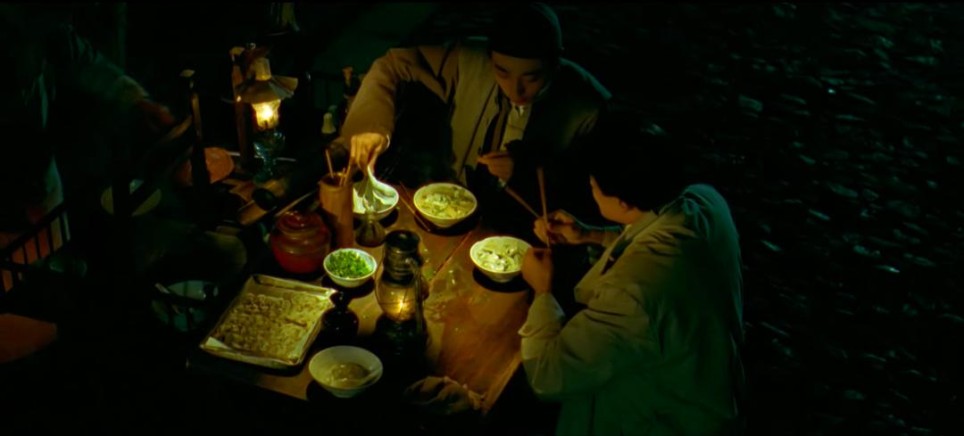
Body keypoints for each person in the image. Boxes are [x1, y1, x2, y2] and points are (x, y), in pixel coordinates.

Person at [517, 112, 746, 435]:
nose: (590, 188)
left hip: (661, 415)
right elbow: (654, 236)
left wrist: (543, 291)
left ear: (623, 203)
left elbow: (548, 376)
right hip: (707, 374)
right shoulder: (705, 200)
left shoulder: (631, 297)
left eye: (594, 185)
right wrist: (591, 235)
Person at [332, 2, 611, 234]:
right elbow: (392, 65)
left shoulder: (587, 105)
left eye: (532, 77)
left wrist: (526, 171)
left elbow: (593, 196)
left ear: (555, 63)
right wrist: (372, 127)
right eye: (502, 72)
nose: (515, 90)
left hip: (532, 228)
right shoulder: (470, 62)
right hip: (454, 204)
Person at [0, 4, 174, 362]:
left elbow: (76, 54)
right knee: (18, 317)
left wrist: (136, 100)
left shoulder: (45, 27)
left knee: (55, 293)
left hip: (40, 187)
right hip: (7, 206)